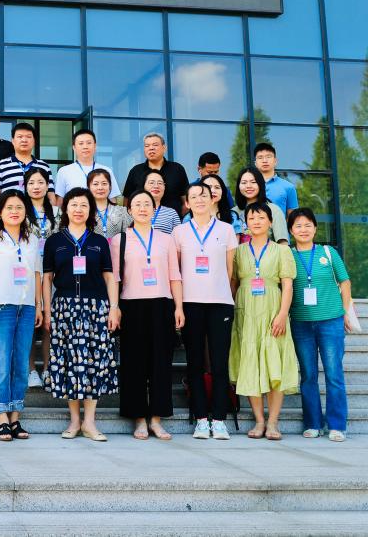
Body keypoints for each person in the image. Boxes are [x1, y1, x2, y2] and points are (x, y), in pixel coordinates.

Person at [42, 187, 120, 442]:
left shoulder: (99, 241)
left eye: (84, 205)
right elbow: (47, 279)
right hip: (64, 307)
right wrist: (47, 310)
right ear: (65, 209)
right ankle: (75, 420)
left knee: (93, 362)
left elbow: (110, 277)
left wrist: (114, 307)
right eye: (74, 204)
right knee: (68, 362)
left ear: (91, 210)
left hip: (95, 308)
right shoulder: (55, 241)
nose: (78, 209)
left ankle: (90, 421)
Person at [111, 191, 184, 441]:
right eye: (137, 204)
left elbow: (175, 276)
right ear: (129, 210)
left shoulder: (166, 239)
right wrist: (114, 307)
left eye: (147, 204)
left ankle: (156, 419)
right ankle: (139, 418)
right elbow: (115, 278)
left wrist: (179, 307)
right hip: (131, 305)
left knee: (161, 363)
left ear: (154, 209)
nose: (142, 208)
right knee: (134, 364)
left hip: (162, 304)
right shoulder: (119, 240)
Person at [173, 183, 239, 441]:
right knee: (195, 363)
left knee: (220, 363)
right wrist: (178, 306)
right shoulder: (179, 232)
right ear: (187, 203)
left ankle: (219, 419)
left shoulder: (226, 229)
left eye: (204, 195)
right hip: (191, 303)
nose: (199, 200)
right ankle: (201, 418)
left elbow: (230, 270)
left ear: (212, 199)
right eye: (194, 197)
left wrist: (223, 293)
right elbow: (177, 271)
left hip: (220, 302)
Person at [0, 191, 42, 441]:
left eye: (19, 207)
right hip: (0, 306)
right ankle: (2, 417)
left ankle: (16, 417)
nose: (15, 211)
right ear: (1, 212)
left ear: (26, 212)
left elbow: (36, 273)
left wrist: (39, 305)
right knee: (1, 363)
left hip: (26, 307)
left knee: (21, 364)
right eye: (9, 207)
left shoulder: (32, 239)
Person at [230, 202, 298, 440]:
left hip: (272, 309)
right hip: (246, 311)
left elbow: (287, 285)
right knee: (250, 362)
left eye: (261, 217)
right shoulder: (238, 251)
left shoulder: (282, 251)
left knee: (274, 364)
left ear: (270, 222)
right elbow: (233, 283)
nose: (256, 222)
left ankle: (273, 423)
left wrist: (282, 314)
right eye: (251, 218)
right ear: (246, 224)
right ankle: (259, 421)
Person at [288, 208, 351, 442]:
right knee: (308, 376)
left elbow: (345, 282)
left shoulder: (328, 252)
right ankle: (313, 423)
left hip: (330, 321)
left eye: (308, 225)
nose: (303, 229)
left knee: (334, 374)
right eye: (298, 226)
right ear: (291, 230)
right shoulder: (288, 255)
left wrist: (345, 311)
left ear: (315, 228)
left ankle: (337, 425)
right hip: (301, 323)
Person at [24, 167, 60, 388]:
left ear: (47, 186)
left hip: (52, 273)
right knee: (29, 322)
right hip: (26, 273)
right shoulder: (20, 209)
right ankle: (30, 370)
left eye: (40, 182)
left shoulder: (57, 212)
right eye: (31, 183)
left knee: (49, 322)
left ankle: (47, 368)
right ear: (25, 187)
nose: (36, 187)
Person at [122, 132, 189, 214]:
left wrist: (178, 218)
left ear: (164, 148)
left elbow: (186, 200)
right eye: (147, 146)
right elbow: (127, 201)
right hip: (142, 219)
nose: (151, 148)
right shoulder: (135, 171)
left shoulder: (177, 169)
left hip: (172, 220)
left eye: (155, 145)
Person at [0, 122, 55, 203]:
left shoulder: (44, 166)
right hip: (11, 210)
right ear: (13, 141)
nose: (24, 140)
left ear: (34, 141)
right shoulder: (1, 166)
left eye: (28, 137)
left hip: (38, 211)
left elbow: (50, 196)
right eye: (20, 137)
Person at [54, 129, 121, 203]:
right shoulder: (64, 171)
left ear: (95, 146)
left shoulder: (106, 170)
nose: (85, 147)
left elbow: (112, 199)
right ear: (74, 147)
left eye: (89, 143)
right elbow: (59, 201)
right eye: (81, 143)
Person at [233, 168, 289, 244]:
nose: (248, 186)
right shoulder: (233, 212)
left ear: (260, 184)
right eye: (244, 183)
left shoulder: (273, 210)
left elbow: (283, 243)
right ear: (238, 186)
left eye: (253, 182)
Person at [254, 142, 299, 216]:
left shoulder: (288, 187)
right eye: (260, 157)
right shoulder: (249, 186)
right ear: (255, 163)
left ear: (275, 161)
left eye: (268, 157)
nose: (264, 160)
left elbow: (292, 218)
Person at [89, 169, 130, 239]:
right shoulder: (84, 212)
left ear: (110, 187)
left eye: (104, 183)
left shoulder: (122, 211)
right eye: (95, 184)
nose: (100, 188)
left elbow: (129, 237)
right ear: (89, 187)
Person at [143, 170, 182, 235]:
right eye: (151, 183)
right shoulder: (135, 210)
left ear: (164, 187)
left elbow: (179, 237)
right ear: (144, 186)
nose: (156, 186)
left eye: (160, 183)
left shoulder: (172, 213)